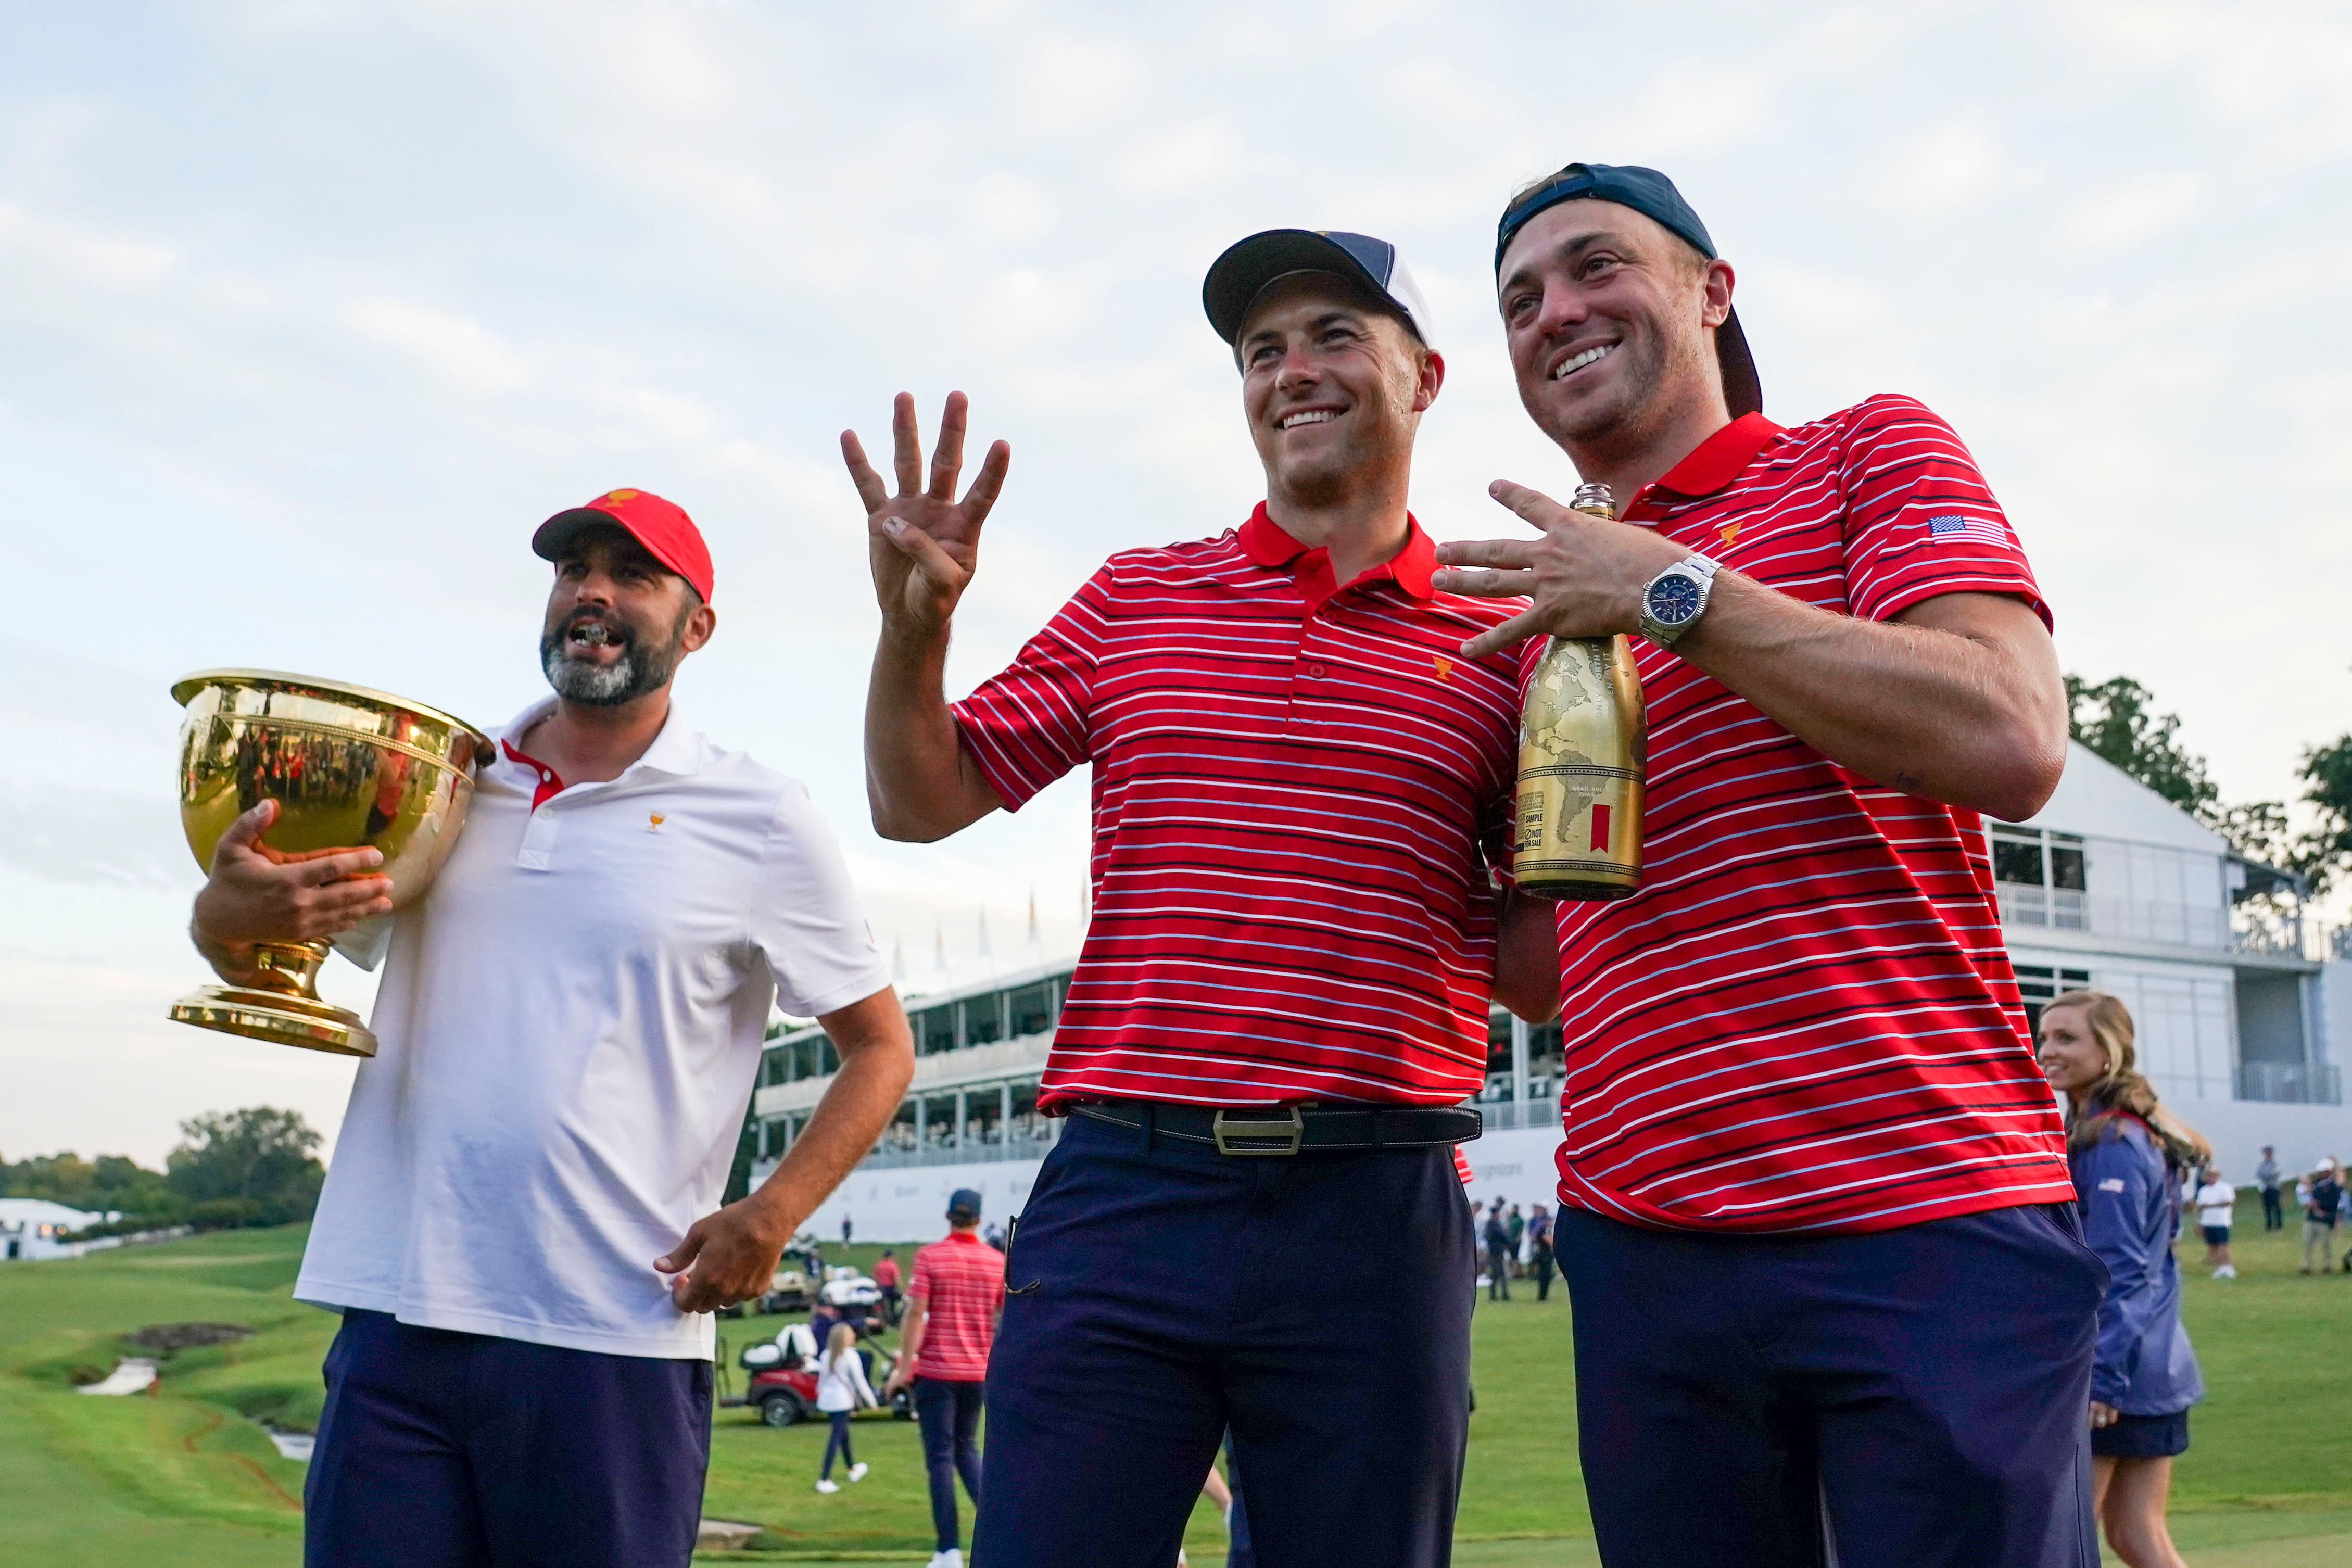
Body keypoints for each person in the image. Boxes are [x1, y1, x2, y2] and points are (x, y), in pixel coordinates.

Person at [851, 225, 1557, 1568]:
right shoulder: (1138, 598)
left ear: (1426, 374)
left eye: (1335, 336)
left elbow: (1540, 967)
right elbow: (919, 798)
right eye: (1260, 351)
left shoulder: (1506, 633)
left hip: (1375, 1201)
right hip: (1127, 1192)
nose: (1291, 371)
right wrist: (913, 629)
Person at [1431, 162, 2104, 1567]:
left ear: (1710, 289)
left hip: (1924, 1212)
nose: (1553, 311)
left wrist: (1670, 590)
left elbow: (2008, 731)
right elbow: (1552, 969)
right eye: (1517, 300)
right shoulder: (1528, 601)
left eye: (1594, 266)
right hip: (1643, 1242)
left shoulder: (1863, 451)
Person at [186, 489, 914, 1568]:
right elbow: (260, 938)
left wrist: (773, 1213)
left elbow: (882, 1046)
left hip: (611, 1333)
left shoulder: (759, 815)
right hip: (395, 1320)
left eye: (633, 573)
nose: (594, 592)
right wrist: (220, 916)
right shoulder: (436, 784)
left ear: (696, 625)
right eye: (574, 567)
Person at [2037, 991, 2204, 1568]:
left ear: (2108, 1051)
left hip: (2118, 1378)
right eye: (2045, 1036)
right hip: (2150, 1370)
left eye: (2066, 1038)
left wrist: (2103, 1379)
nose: (2047, 1050)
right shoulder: (2107, 1131)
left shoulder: (2111, 1142)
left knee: (2064, 1544)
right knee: (2137, 1536)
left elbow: (2122, 1270)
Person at [881, 1191, 1005, 1568]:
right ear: (979, 1220)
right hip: (977, 1372)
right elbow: (1006, 1318)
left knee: (940, 1457)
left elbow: (916, 1314)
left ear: (948, 1216)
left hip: (936, 1371)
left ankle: (948, 1550)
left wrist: (903, 1371)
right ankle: (1000, 1537)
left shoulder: (930, 1256)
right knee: (967, 1450)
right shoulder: (996, 1261)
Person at [813, 1323, 876, 1494]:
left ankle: (852, 1468)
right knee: (835, 1438)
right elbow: (860, 1381)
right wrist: (872, 1401)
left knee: (843, 1435)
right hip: (841, 1401)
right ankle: (824, 1479)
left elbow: (822, 1380)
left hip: (828, 1400)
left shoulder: (826, 1355)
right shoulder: (850, 1356)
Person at [2193, 1168, 2236, 1279]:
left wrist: (2210, 1206)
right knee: (2213, 1246)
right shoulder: (2203, 1191)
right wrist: (2199, 1223)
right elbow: (2200, 1207)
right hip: (2208, 1222)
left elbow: (2228, 1202)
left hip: (2221, 1221)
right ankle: (2220, 1267)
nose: (2211, 1178)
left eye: (2213, 1176)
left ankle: (2228, 1266)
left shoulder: (2225, 1188)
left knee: (2223, 1245)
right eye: (2209, 1176)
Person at [2302, 1158, 2343, 1274]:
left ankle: (2327, 1265)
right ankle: (2306, 1265)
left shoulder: (2333, 1187)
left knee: (2326, 1244)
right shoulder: (2316, 1184)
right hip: (2312, 1218)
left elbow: (2334, 1203)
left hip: (2325, 1219)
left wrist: (2320, 1205)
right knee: (2307, 1242)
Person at [1483, 1203, 1514, 1301]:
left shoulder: (1491, 1224)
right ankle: (1503, 1295)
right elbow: (1504, 1236)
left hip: (1495, 1253)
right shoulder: (1494, 1225)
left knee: (1496, 1276)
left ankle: (1495, 1296)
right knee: (1500, 1275)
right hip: (1496, 1253)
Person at [1527, 1204, 1556, 1302]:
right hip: (1545, 1251)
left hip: (1540, 1250)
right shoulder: (1542, 1224)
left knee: (1543, 1274)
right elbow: (1546, 1237)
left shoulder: (1538, 1222)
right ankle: (1542, 1296)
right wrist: (1553, 1246)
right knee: (1545, 1274)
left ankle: (1542, 1295)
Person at [874, 1248, 903, 1326]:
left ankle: (886, 1321)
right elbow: (896, 1279)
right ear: (891, 1256)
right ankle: (895, 1320)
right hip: (891, 1288)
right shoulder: (893, 1266)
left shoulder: (879, 1265)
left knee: (884, 1307)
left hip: (881, 1289)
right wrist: (900, 1290)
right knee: (893, 1306)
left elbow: (876, 1277)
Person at [2256, 1146, 2283, 1231]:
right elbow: (2259, 1174)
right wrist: (2267, 1175)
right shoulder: (2262, 1164)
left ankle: (2279, 1225)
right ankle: (2269, 1226)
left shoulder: (2276, 1163)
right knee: (2267, 1208)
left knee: (2276, 1207)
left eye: (2268, 1152)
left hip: (2274, 1187)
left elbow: (2276, 1173)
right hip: (2265, 1188)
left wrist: (2266, 1175)